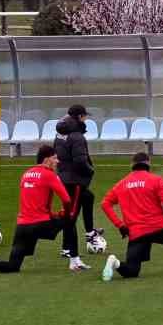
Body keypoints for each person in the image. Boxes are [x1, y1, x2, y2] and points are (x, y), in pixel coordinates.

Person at [0, 145, 86, 275]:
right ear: (46, 160)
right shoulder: (49, 175)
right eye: (55, 158)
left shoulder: (26, 174)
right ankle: (74, 261)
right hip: (40, 224)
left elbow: (34, 201)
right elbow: (66, 200)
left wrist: (51, 214)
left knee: (13, 266)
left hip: (22, 227)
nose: (57, 161)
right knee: (70, 221)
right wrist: (65, 213)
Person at [99, 152, 163, 280]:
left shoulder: (121, 184)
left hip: (136, 233)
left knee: (132, 271)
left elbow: (105, 204)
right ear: (148, 163)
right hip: (158, 228)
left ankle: (114, 262)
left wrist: (120, 225)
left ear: (132, 165)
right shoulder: (156, 180)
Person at [55, 105, 105, 254]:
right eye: (84, 116)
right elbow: (80, 161)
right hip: (74, 180)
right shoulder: (77, 136)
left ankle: (90, 233)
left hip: (65, 176)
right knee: (72, 214)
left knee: (88, 197)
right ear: (79, 117)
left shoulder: (60, 133)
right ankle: (67, 248)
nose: (86, 118)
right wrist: (91, 171)